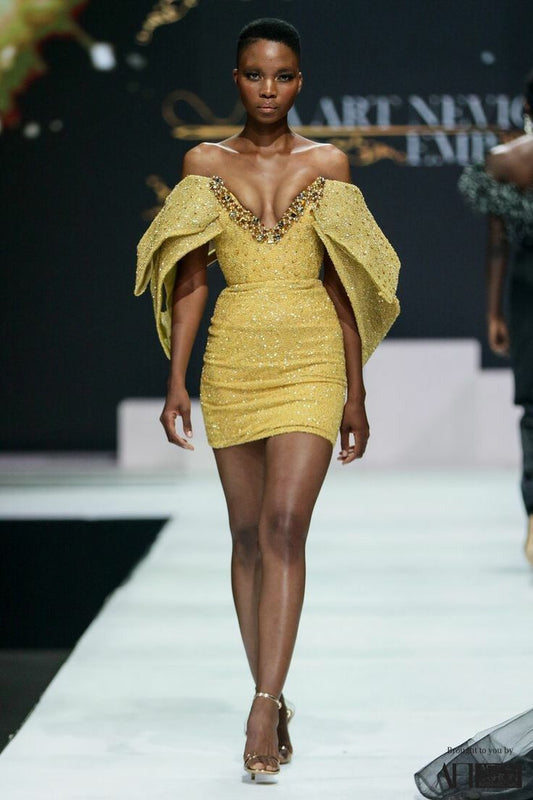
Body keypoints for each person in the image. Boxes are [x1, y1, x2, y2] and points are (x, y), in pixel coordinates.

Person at [136, 18, 400, 782]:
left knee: (285, 526)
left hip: (311, 357)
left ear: (299, 82)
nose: (267, 89)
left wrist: (355, 393)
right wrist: (176, 379)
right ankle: (274, 692)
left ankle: (259, 705)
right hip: (232, 357)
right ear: (236, 78)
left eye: (282, 76)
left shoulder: (329, 165)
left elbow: (343, 284)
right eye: (255, 74)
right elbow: (190, 280)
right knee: (247, 536)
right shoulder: (203, 163)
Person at [459, 70, 533, 568]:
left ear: (526, 107)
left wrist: (493, 312)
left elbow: (498, 244)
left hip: (527, 289)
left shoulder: (506, 161)